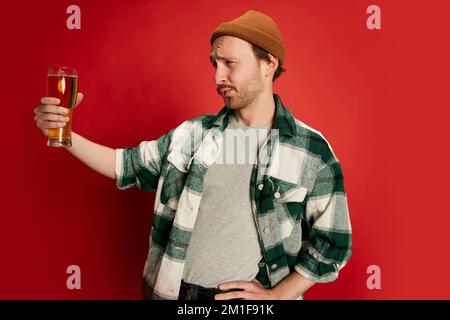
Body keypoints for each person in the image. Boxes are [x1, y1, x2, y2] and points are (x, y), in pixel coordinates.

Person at [34, 10, 352, 300]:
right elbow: (127, 165)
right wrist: (64, 136)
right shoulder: (192, 134)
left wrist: (277, 295)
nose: (217, 77)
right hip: (176, 296)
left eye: (230, 63)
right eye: (215, 63)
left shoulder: (311, 150)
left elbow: (333, 242)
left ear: (268, 64)